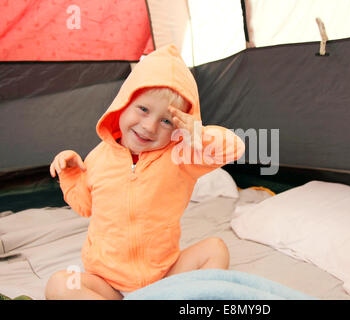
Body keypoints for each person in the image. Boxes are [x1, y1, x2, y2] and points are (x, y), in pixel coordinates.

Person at [45, 45, 245, 300]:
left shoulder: (181, 155)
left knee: (216, 249)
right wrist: (72, 175)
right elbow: (85, 206)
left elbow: (234, 148)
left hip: (164, 278)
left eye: (166, 121)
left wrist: (199, 135)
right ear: (123, 104)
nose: (149, 127)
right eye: (143, 109)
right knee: (59, 284)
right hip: (107, 283)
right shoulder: (98, 158)